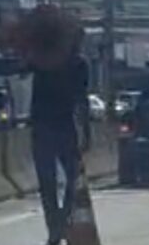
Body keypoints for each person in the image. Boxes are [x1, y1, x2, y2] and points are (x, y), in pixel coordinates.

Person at [30, 45, 91, 245]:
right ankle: (59, 224)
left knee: (51, 182)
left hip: (46, 126)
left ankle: (57, 226)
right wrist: (86, 131)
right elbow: (82, 100)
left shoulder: (43, 58)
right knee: (70, 180)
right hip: (60, 126)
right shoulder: (77, 63)